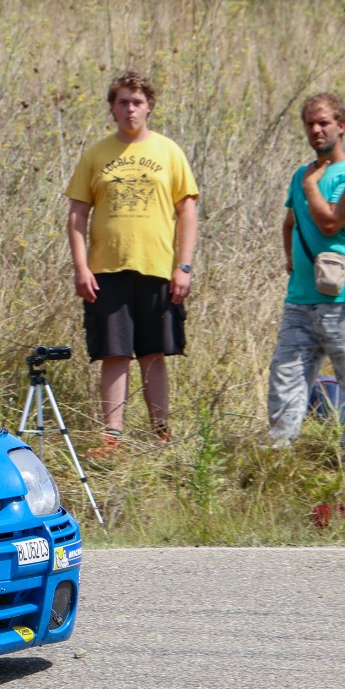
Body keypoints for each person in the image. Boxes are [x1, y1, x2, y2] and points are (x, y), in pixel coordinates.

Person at [66, 70, 198, 454]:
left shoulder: (168, 151)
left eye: (137, 102)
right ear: (112, 107)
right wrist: (81, 267)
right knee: (115, 351)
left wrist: (184, 266)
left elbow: (187, 211)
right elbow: (77, 214)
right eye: (123, 102)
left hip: (158, 267)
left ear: (149, 106)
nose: (130, 109)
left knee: (154, 352)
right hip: (106, 270)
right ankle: (113, 437)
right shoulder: (96, 154)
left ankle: (161, 433)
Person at [266, 94, 345, 445]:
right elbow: (290, 222)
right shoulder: (300, 174)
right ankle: (277, 455)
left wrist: (310, 185)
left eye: (323, 123)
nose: (316, 130)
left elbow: (329, 223)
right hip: (300, 299)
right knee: (285, 377)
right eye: (310, 124)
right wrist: (291, 261)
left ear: (341, 126)